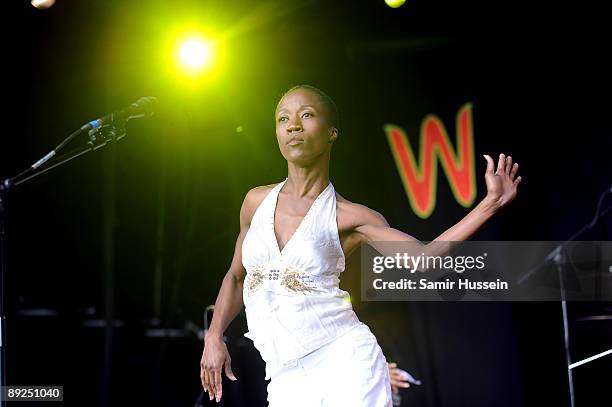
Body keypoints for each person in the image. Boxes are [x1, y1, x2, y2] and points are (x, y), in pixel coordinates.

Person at [200, 85, 522, 406]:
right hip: (285, 377)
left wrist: (490, 204)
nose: (293, 125)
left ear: (332, 133)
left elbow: (423, 258)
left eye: (307, 115)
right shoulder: (255, 203)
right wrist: (214, 336)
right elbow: (237, 276)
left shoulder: (349, 216)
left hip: (345, 362)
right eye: (283, 118)